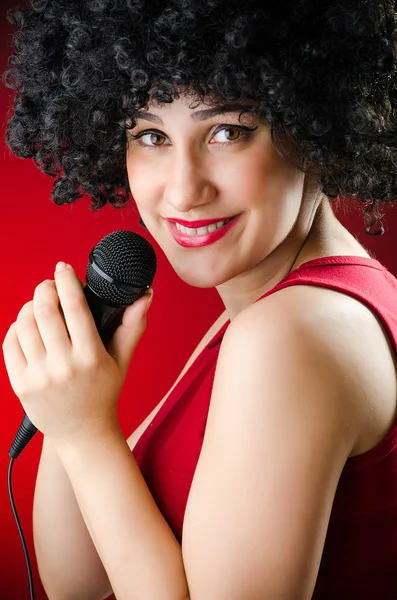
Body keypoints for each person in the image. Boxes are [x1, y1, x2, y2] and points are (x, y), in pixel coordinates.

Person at [2, 1, 397, 598]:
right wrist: (75, 423)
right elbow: (79, 582)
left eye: (228, 131)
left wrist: (86, 436)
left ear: (315, 129)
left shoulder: (291, 334)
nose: (184, 190)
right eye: (151, 135)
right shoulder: (268, 310)